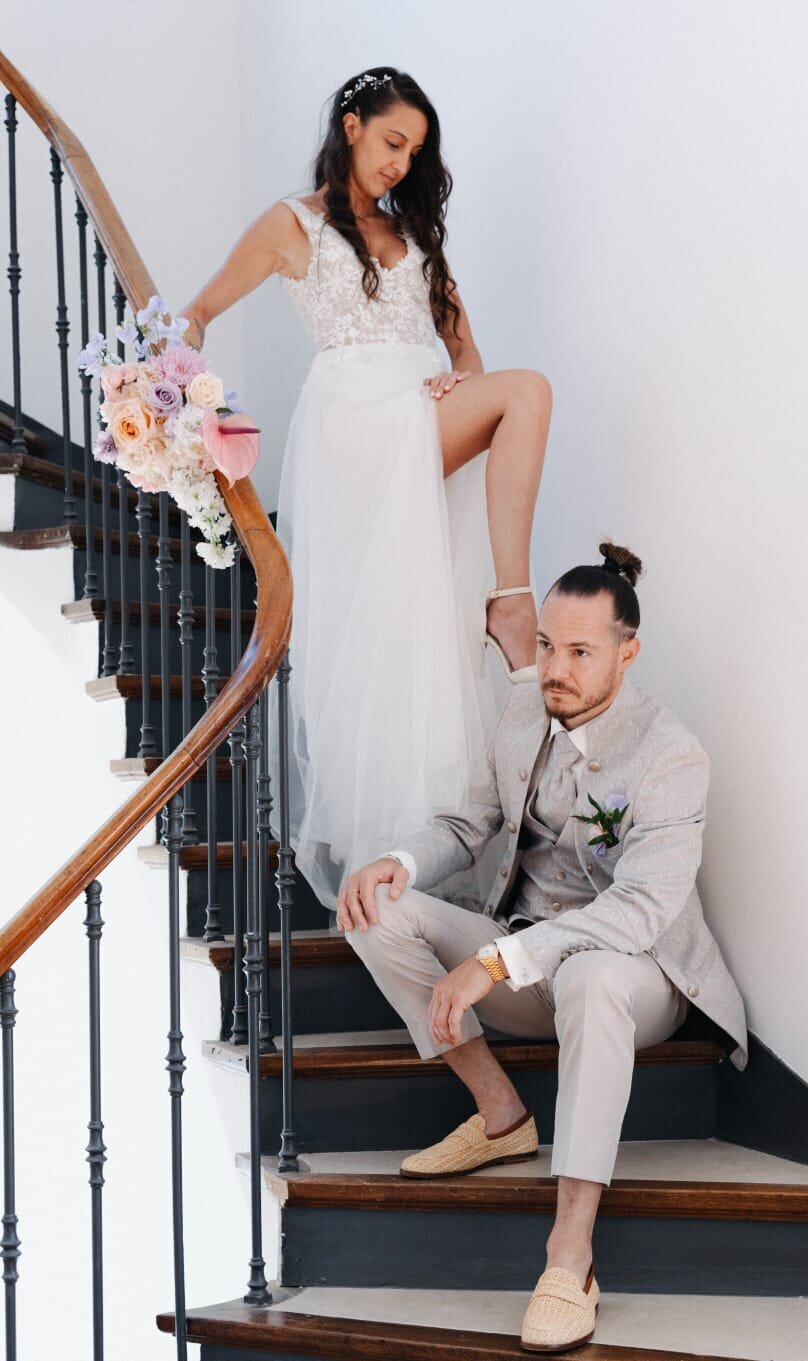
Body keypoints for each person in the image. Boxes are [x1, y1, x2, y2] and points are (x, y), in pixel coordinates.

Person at [338, 541, 748, 1355]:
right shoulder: (526, 711)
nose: (555, 669)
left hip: (636, 976)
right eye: (548, 645)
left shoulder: (672, 754)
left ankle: (570, 1254)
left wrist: (494, 963)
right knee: (375, 909)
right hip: (529, 955)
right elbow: (469, 823)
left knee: (591, 975)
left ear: (628, 653)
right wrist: (401, 862)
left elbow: (637, 910)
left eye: (580, 652)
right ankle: (501, 1113)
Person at [178, 67, 552, 907]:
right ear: (351, 125)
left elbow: (466, 350)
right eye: (391, 141)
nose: (400, 163)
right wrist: (184, 399)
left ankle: (413, 862)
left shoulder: (414, 231)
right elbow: (199, 312)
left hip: (417, 408)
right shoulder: (292, 224)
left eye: (414, 152)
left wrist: (460, 381)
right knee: (530, 393)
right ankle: (512, 605)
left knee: (419, 628)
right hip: (355, 420)